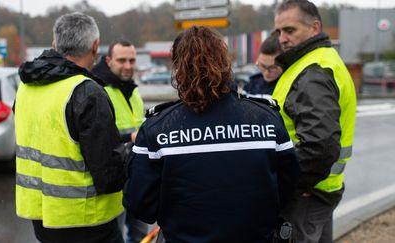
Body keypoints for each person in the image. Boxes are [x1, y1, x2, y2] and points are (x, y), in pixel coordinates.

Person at [123, 26, 300, 242]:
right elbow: (288, 190)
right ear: (225, 63)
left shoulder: (157, 129)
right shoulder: (266, 119)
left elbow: (140, 206)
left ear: (178, 68)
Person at [14, 12, 126, 243]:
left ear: (55, 44)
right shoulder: (87, 92)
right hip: (88, 222)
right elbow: (108, 175)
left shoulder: (25, 89)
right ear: (95, 46)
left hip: (42, 217)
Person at [272, 0, 357, 242]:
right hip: (320, 190)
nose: (282, 38)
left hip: (305, 196)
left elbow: (319, 146)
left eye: (290, 30)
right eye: (279, 31)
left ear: (315, 27)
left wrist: (288, 186)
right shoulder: (320, 61)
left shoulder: (313, 72)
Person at [92, 39, 147, 243]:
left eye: (132, 60)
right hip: (115, 175)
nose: (128, 66)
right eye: (121, 60)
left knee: (139, 232)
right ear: (108, 61)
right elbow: (97, 136)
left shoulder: (132, 89)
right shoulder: (98, 89)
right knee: (115, 235)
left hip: (138, 171)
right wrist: (130, 137)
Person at [243, 33, 283, 99]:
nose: (266, 73)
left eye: (272, 68)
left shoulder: (290, 87)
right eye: (263, 66)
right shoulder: (251, 84)